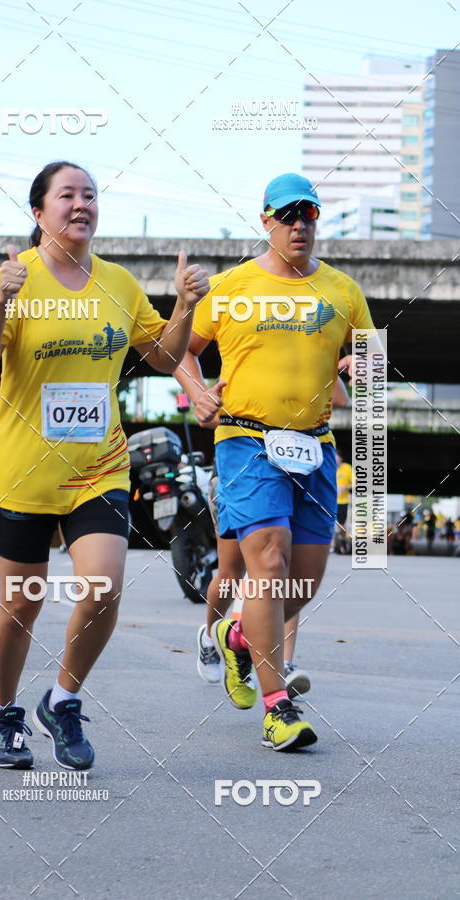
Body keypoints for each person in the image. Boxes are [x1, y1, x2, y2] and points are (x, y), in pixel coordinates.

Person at [0, 160, 209, 770]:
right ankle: (4, 715)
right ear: (39, 211)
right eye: (67, 195)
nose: (82, 205)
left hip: (99, 467)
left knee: (102, 587)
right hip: (25, 472)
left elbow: (162, 355)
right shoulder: (13, 281)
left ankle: (63, 700)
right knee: (22, 602)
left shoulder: (119, 284)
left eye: (90, 196)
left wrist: (182, 306)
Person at [176, 172, 375, 751]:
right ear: (265, 220)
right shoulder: (232, 285)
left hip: (316, 445)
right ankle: (277, 706)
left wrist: (362, 368)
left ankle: (238, 636)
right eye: (287, 216)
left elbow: (367, 354)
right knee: (268, 561)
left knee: (302, 582)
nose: (298, 225)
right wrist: (198, 391)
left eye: (308, 215)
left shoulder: (342, 290)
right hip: (246, 440)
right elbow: (183, 352)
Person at [194, 376, 348, 698]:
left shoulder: (310, 354)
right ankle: (211, 638)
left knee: (282, 572)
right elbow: (209, 416)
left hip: (299, 470)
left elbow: (341, 400)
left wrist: (332, 366)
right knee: (231, 572)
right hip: (242, 469)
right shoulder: (245, 359)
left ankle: (279, 660)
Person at [334, 450, 353, 554]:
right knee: (335, 524)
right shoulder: (330, 467)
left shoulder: (347, 468)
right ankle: (339, 544)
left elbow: (356, 483)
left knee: (341, 524)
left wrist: (344, 487)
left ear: (340, 458)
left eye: (336, 458)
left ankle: (343, 541)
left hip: (343, 501)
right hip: (331, 500)